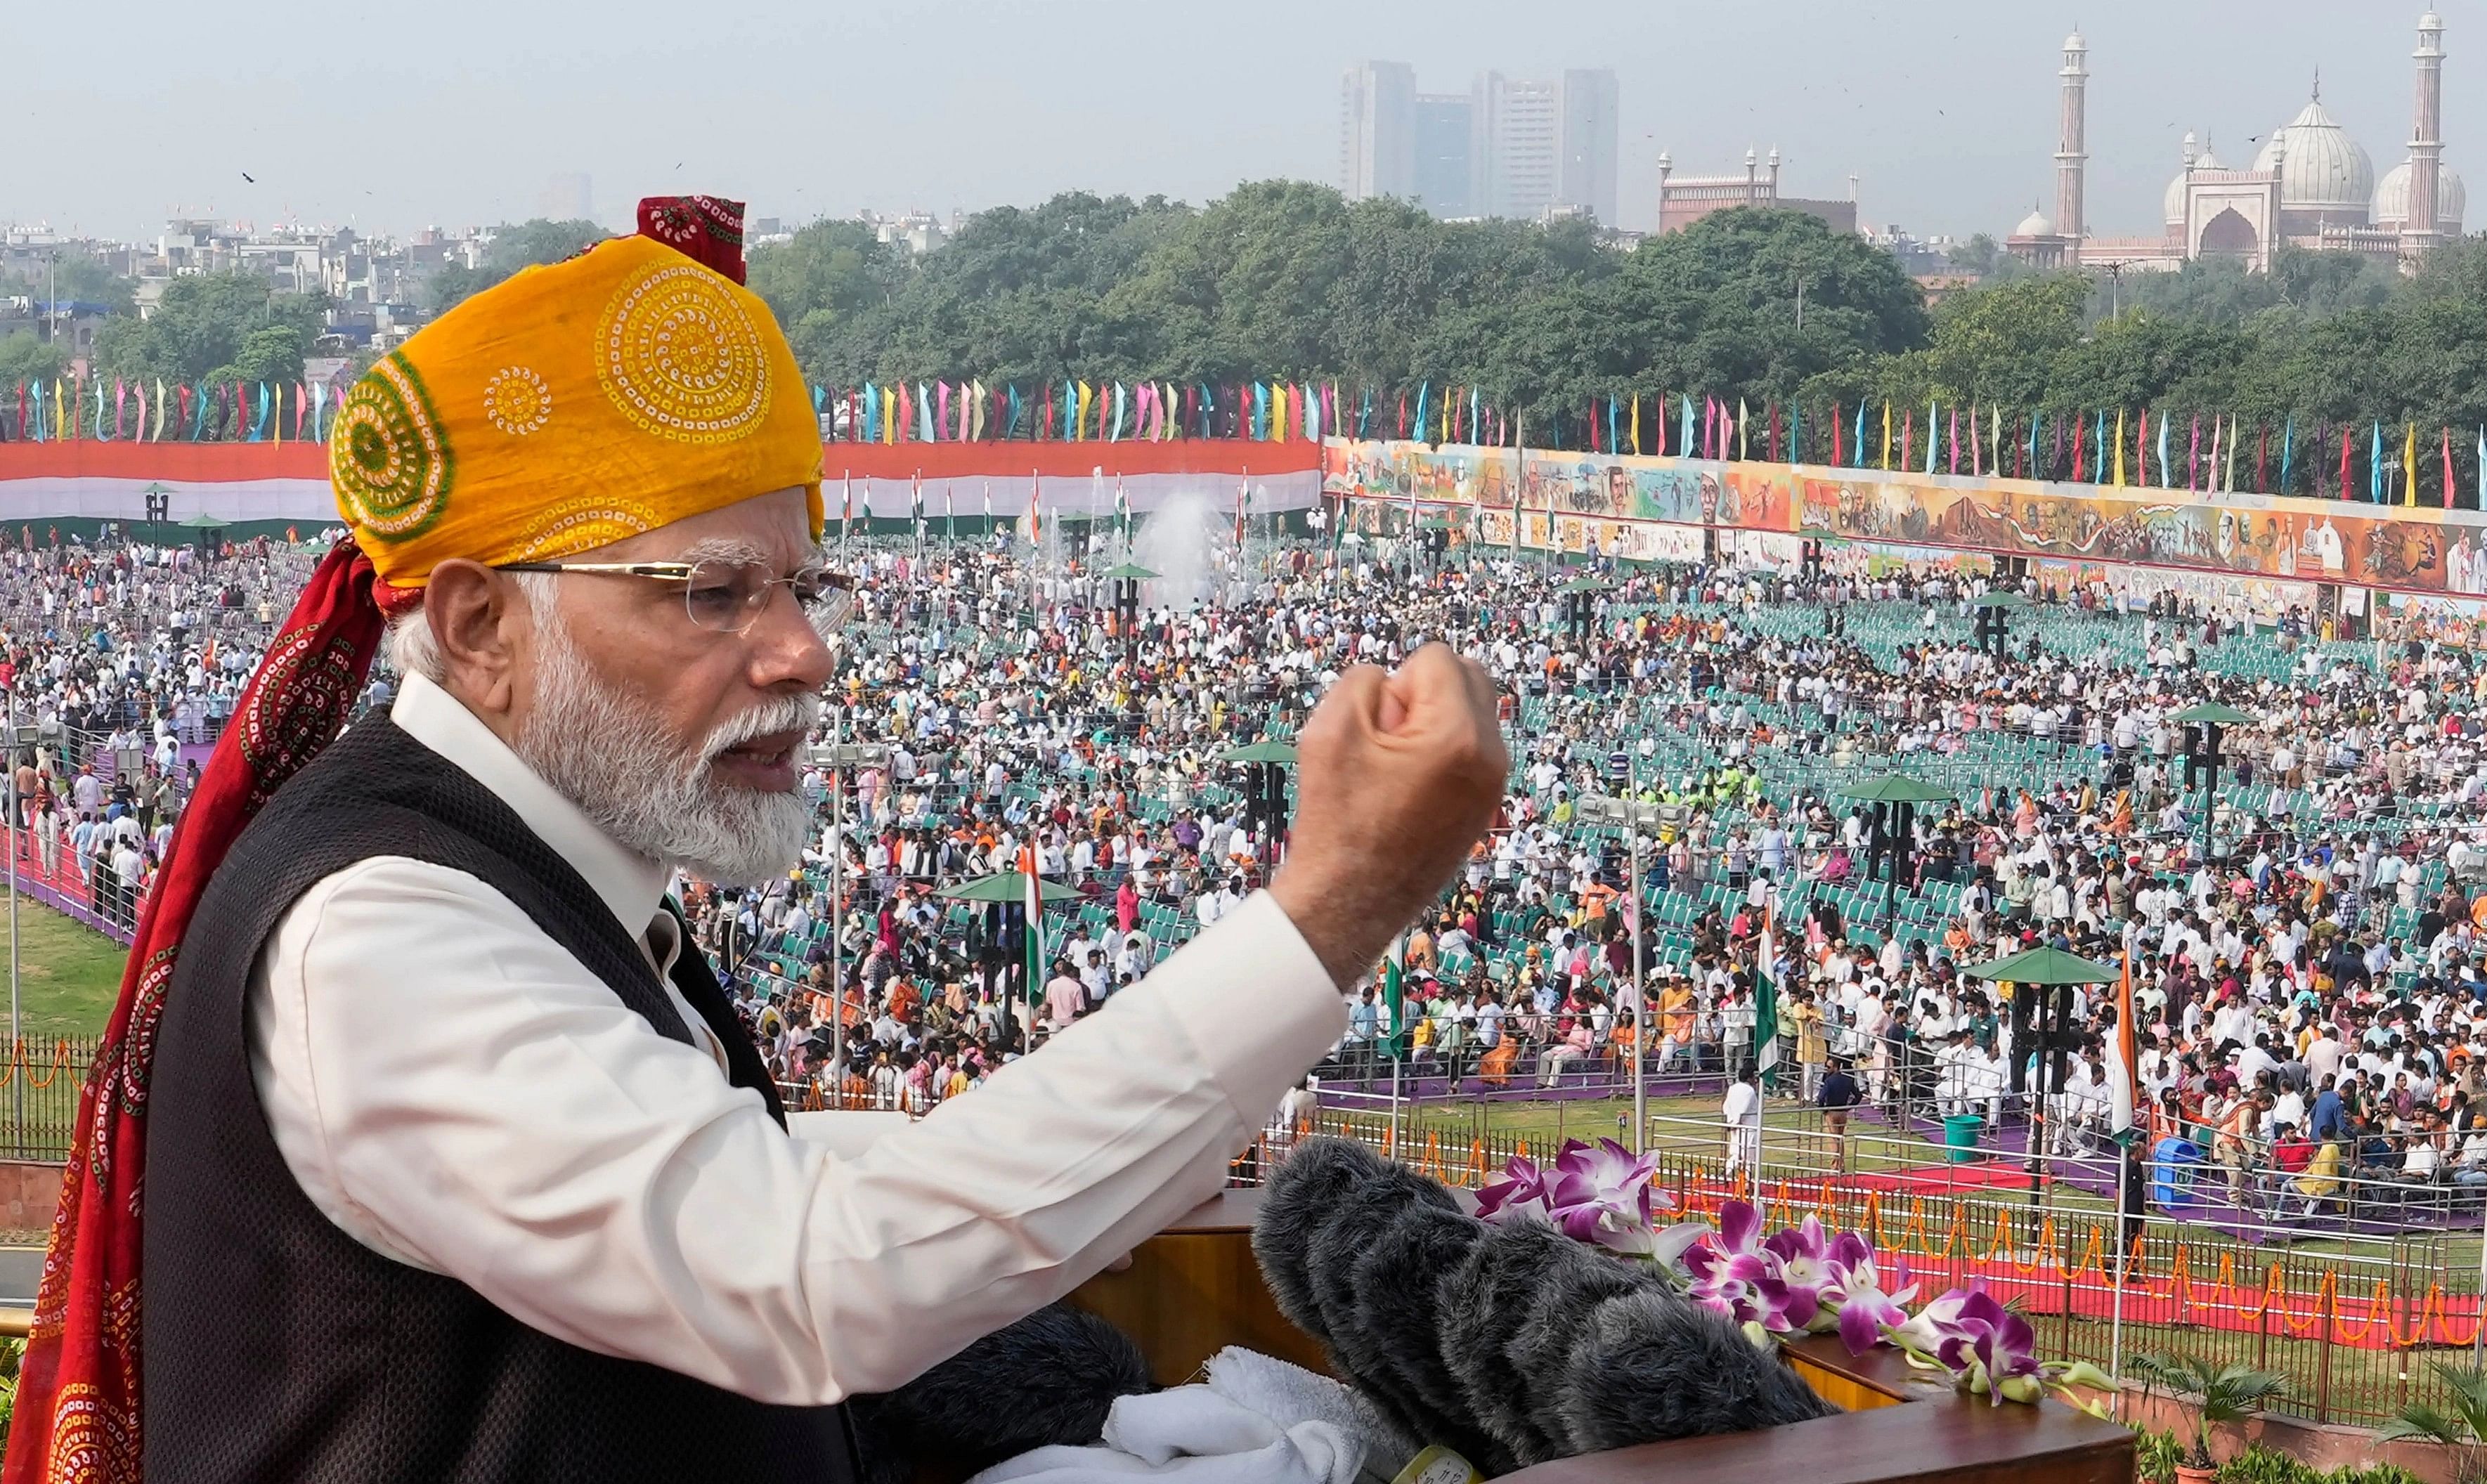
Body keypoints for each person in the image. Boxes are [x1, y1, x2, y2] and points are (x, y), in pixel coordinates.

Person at [6, 197, 1513, 1484]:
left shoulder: (531, 876)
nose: (804, 653)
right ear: (478, 627)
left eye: (802, 586)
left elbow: (738, 1181)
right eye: (714, 594)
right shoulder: (381, 933)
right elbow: (803, 1269)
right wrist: (1330, 908)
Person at [1819, 1053, 1862, 1174]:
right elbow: (1858, 1095)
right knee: (1840, 1138)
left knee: (1834, 1139)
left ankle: (1835, 1166)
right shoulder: (1847, 1080)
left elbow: (1821, 1098)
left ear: (1836, 1067)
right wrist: (1849, 1107)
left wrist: (1823, 1109)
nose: (1827, 1069)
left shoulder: (1829, 1081)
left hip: (1832, 1112)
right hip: (1843, 1112)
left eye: (1829, 1067)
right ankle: (1841, 1164)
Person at [1722, 1066, 1762, 1175]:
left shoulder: (1732, 1088)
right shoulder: (1749, 1091)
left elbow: (1726, 1106)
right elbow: (1744, 1108)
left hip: (1735, 1125)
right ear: (1749, 1078)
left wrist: (1731, 1121)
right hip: (1748, 1126)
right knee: (1748, 1154)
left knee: (1736, 1151)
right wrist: (1736, 1122)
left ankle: (1727, 1171)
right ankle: (1747, 1179)